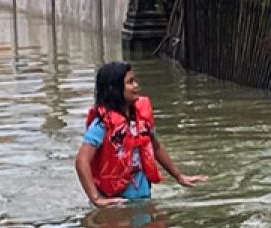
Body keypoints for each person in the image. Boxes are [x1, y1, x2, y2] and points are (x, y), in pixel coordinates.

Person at [75, 61, 206, 206]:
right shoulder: (102, 124)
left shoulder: (141, 119)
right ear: (114, 89)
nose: (136, 85)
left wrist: (179, 176)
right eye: (130, 82)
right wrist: (96, 198)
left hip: (142, 196)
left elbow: (155, 147)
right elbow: (82, 161)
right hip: (115, 203)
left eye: (135, 80)